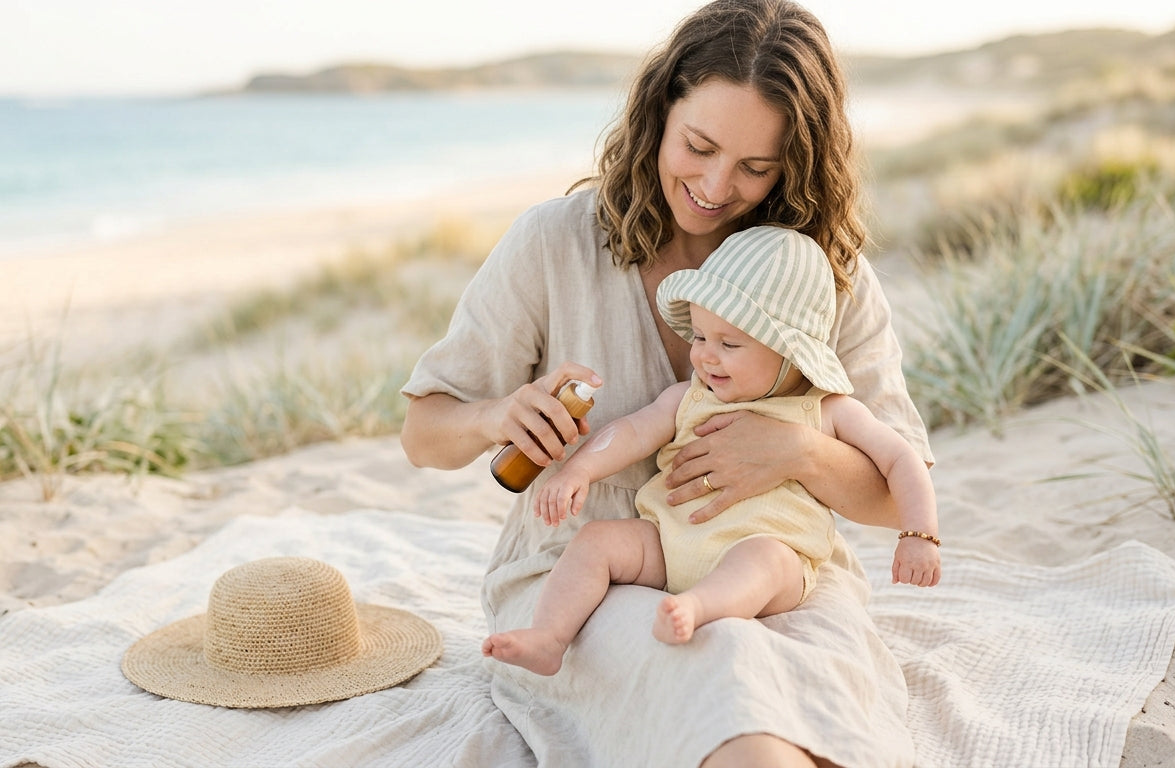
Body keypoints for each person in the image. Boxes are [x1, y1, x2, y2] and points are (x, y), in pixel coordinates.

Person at [400, 0, 934, 765]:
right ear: (659, 113)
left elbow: (892, 494)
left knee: (793, 708)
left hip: (780, 572)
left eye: (757, 166)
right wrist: (496, 416)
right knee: (724, 690)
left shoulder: (828, 277)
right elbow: (423, 435)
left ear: (799, 163)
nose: (718, 186)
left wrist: (795, 453)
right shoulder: (555, 243)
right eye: (699, 146)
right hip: (584, 573)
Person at [481, 226, 941, 677]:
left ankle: (698, 607)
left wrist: (920, 535)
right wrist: (577, 471)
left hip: (766, 552)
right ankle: (549, 637)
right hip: (670, 542)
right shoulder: (691, 397)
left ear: (790, 351)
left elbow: (901, 459)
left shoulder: (826, 410)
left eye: (729, 344)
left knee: (765, 560)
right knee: (596, 541)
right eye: (699, 337)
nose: (704, 357)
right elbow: (632, 432)